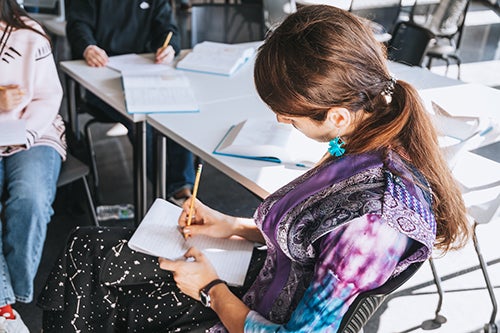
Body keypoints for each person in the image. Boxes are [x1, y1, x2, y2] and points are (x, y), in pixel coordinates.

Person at [38, 5, 471, 332]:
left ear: (337, 115)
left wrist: (210, 290)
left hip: (244, 311)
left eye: (289, 114)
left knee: (96, 282)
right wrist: (230, 225)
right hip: (258, 282)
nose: (282, 121)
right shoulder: (364, 138)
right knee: (86, 248)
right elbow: (308, 232)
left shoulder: (373, 226)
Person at [66, 0, 195, 203]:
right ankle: (169, 190)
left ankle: (181, 189)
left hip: (143, 72)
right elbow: (77, 25)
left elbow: (167, 28)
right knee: (142, 123)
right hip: (100, 74)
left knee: (177, 111)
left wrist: (169, 47)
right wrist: (88, 47)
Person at [0, 0, 65, 331]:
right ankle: (4, 306)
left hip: (33, 134)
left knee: (31, 199)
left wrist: (23, 134)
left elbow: (48, 98)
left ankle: (13, 296)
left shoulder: (30, 34)